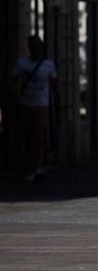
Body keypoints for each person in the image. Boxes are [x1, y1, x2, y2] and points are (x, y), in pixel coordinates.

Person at [11, 35, 57, 181]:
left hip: (42, 105)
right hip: (25, 104)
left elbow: (55, 86)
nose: (37, 49)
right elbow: (13, 81)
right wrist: (13, 99)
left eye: (39, 47)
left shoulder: (48, 65)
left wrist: (58, 104)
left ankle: (36, 167)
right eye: (34, 46)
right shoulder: (21, 63)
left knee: (38, 136)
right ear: (30, 48)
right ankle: (27, 165)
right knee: (25, 136)